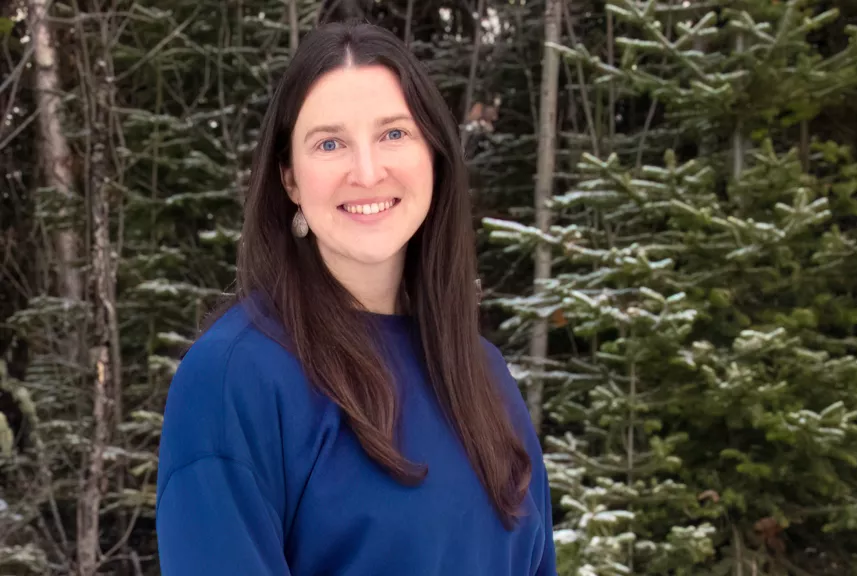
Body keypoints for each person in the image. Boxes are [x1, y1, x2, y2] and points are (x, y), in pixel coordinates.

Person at [154, 21, 557, 575]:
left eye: (393, 134)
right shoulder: (234, 379)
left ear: (434, 156)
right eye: (329, 143)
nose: (367, 172)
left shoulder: (481, 374)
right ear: (289, 179)